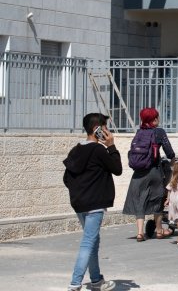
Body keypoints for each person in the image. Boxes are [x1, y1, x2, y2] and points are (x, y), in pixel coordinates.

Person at [63, 113, 122, 291]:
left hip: (80, 204)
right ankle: (75, 284)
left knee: (93, 241)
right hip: (95, 205)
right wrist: (111, 146)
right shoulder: (99, 150)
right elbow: (117, 169)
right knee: (88, 242)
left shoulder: (76, 150)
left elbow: (67, 178)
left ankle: (96, 280)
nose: (107, 131)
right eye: (105, 127)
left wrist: (80, 192)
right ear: (97, 130)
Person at [123, 108, 175, 242]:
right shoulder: (159, 132)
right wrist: (173, 160)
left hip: (138, 173)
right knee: (157, 200)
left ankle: (140, 233)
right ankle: (159, 230)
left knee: (140, 200)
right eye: (157, 117)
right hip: (154, 171)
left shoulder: (139, 132)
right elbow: (169, 152)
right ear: (154, 119)